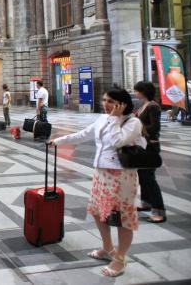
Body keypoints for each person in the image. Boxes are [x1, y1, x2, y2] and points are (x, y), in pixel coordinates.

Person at [48, 88, 145, 278]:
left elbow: (118, 141)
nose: (106, 104)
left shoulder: (133, 123)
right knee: (98, 211)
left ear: (122, 104)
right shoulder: (103, 118)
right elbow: (84, 134)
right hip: (102, 173)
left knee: (122, 218)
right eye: (104, 100)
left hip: (122, 176)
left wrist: (116, 119)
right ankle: (107, 247)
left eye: (110, 101)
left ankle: (120, 259)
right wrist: (58, 141)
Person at [133, 81, 166, 223]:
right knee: (142, 176)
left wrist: (137, 125)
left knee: (149, 179)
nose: (135, 93)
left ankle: (159, 210)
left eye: (137, 91)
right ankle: (146, 202)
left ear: (143, 91)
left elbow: (155, 128)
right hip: (142, 146)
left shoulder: (153, 106)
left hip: (150, 147)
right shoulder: (144, 105)